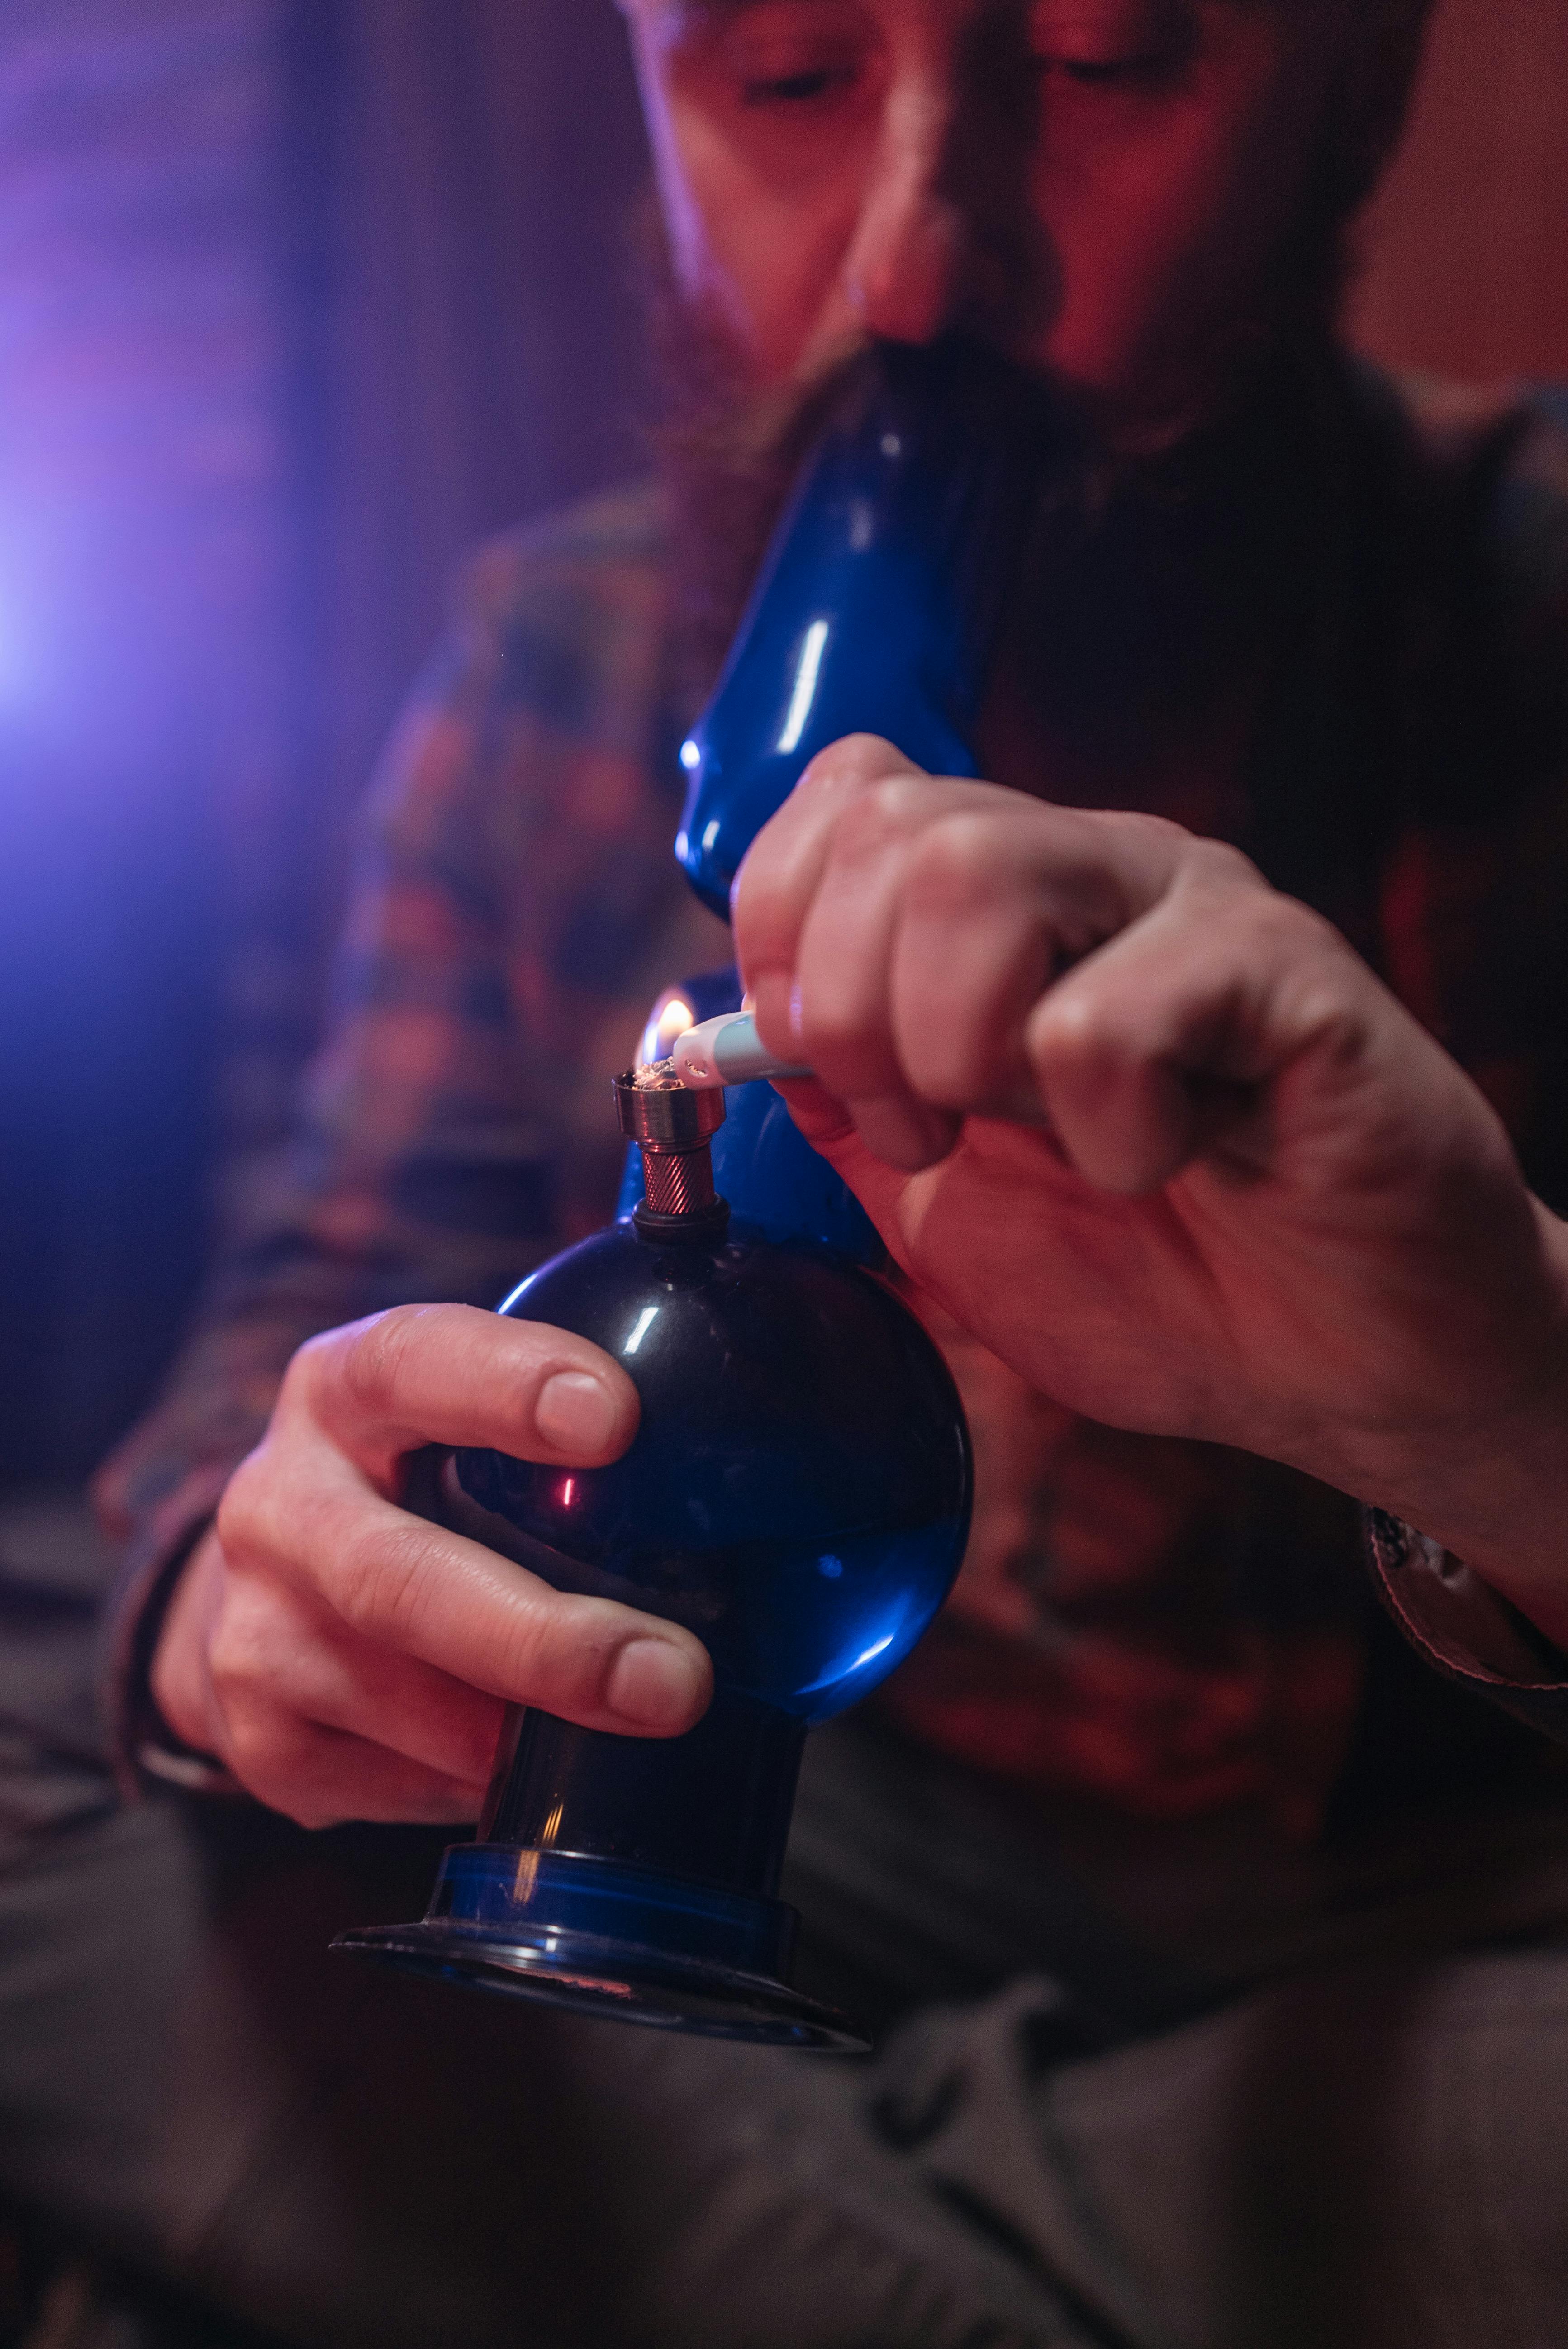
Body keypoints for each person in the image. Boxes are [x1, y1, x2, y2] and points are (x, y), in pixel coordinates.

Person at [6, 0, 1568, 2341]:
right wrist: (244, 1589)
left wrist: (1510, 1382)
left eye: (1114, 59)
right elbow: (313, 1303)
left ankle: (685, 2224)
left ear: (1347, 84)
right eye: (790, 82)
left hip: (1434, 1913)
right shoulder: (555, 646)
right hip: (816, 1827)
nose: (918, 272)